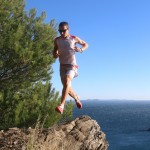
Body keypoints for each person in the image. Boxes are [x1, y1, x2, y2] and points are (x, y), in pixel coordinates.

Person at [53, 21, 88, 114]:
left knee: (67, 81)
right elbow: (54, 52)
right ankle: (76, 98)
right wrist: (55, 54)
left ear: (68, 29)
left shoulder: (73, 38)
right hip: (62, 66)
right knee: (67, 87)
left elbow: (85, 44)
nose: (61, 33)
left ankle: (61, 105)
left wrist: (81, 49)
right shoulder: (57, 40)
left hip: (72, 65)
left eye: (63, 30)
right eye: (59, 31)